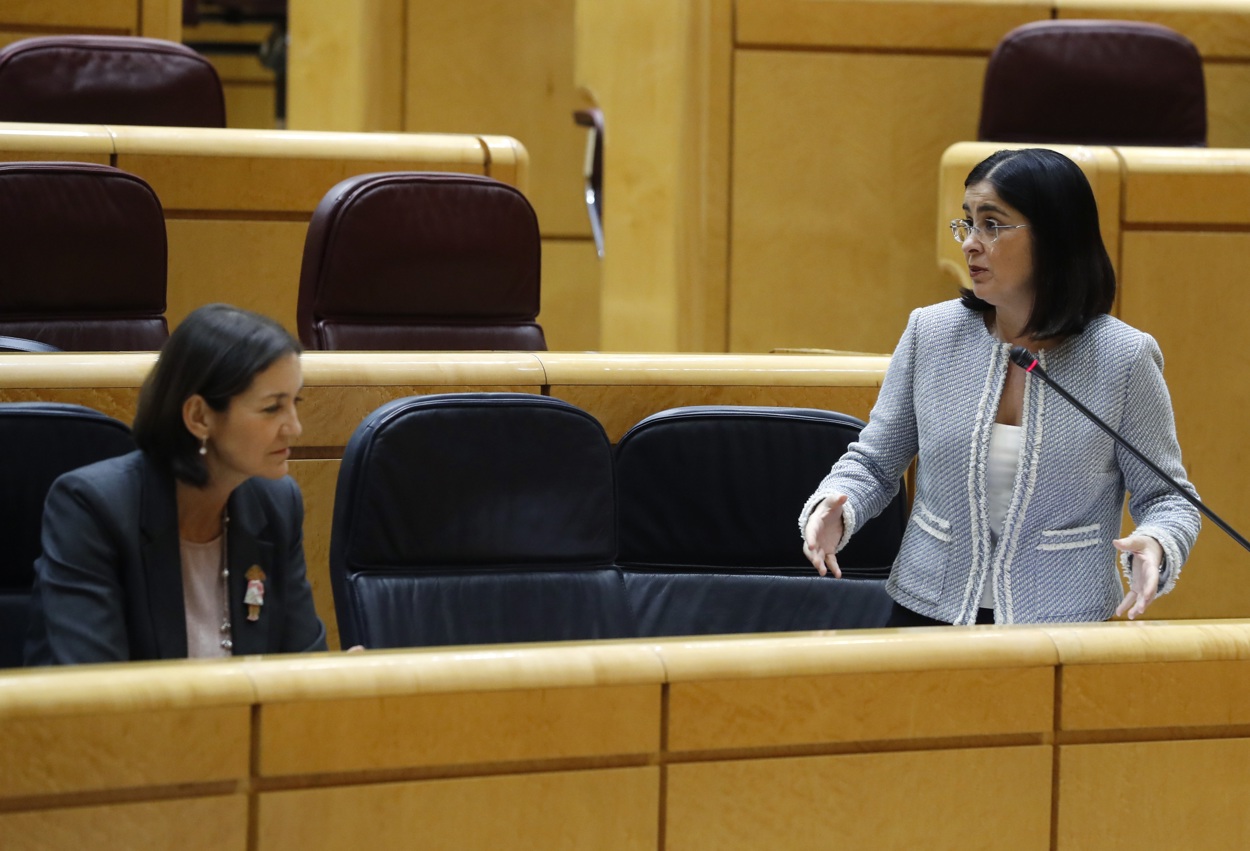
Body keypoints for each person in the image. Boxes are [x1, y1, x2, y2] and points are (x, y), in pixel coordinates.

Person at [800, 148, 1201, 626]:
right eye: (967, 223)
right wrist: (832, 508)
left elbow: (1168, 498)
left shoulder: (1122, 358)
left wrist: (1156, 542)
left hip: (1063, 623)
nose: (970, 243)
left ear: (1054, 236)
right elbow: (875, 463)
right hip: (926, 610)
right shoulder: (931, 333)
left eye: (992, 224)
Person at [26, 303, 328, 664]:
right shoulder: (94, 508)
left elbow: (302, 664)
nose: (294, 427)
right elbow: (95, 690)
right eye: (272, 408)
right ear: (199, 416)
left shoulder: (275, 503)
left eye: (295, 402)